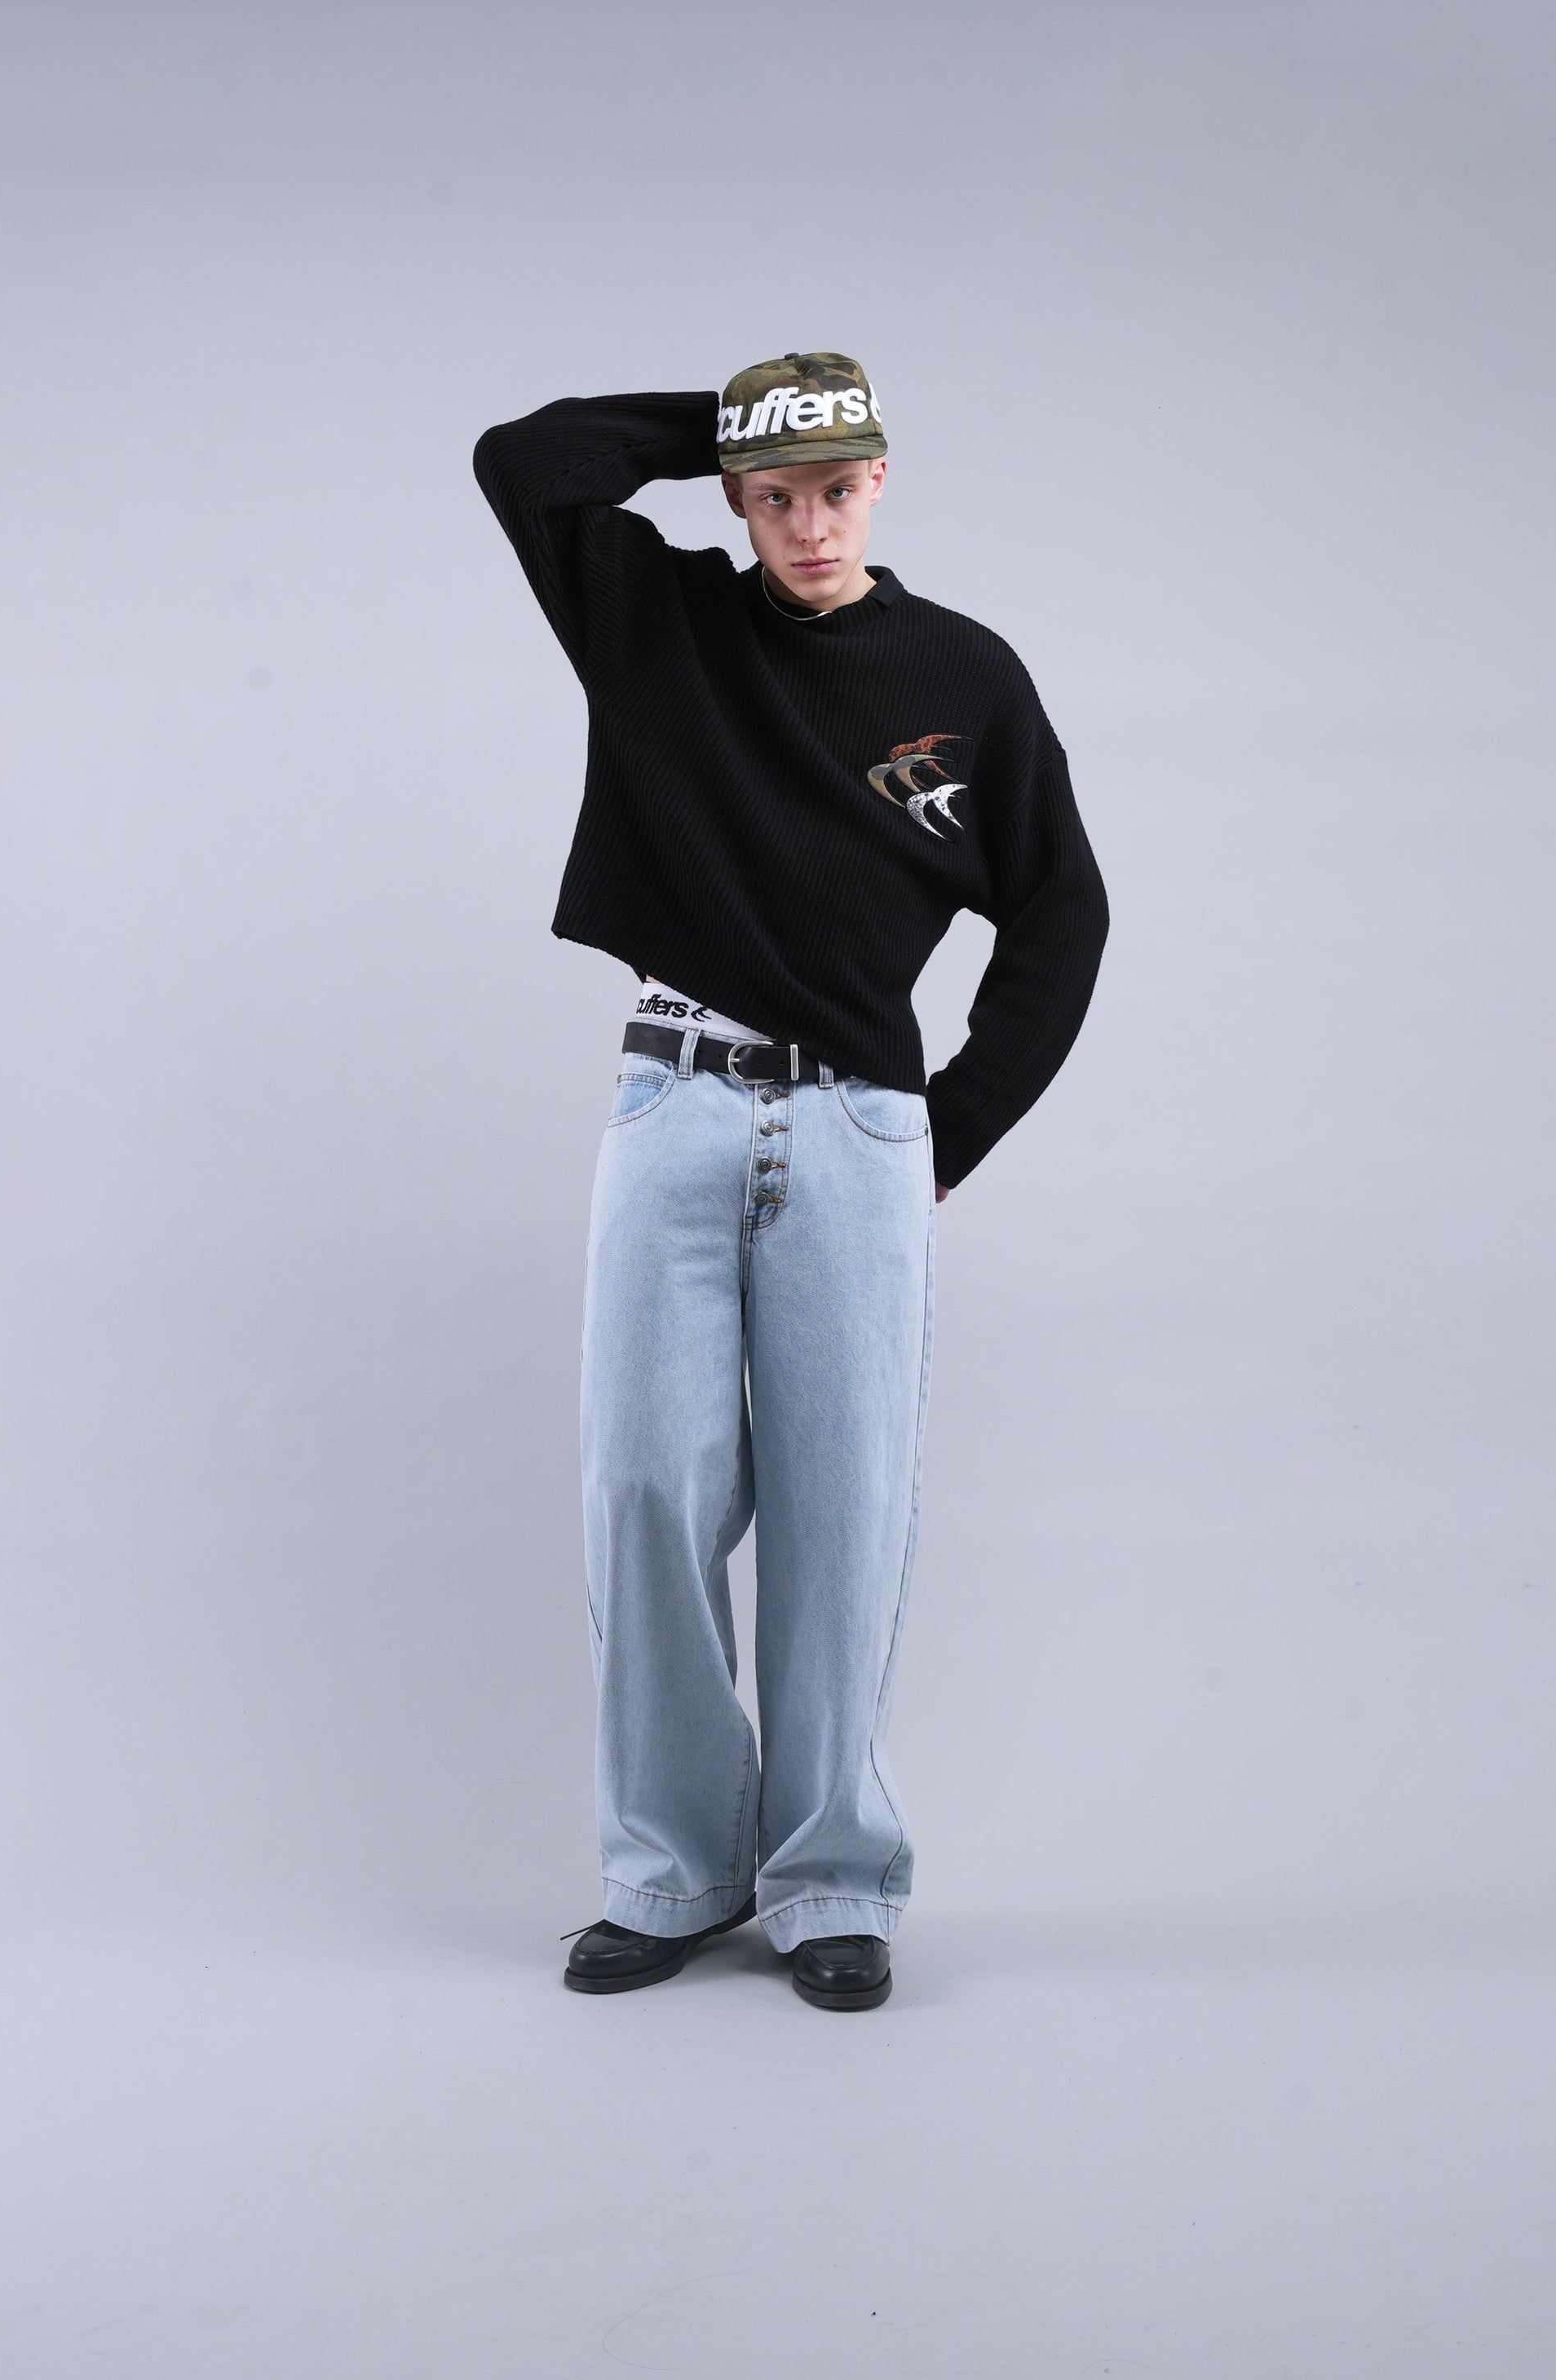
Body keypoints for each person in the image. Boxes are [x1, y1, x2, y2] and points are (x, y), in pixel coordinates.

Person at [473, 351, 1107, 2011]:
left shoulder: (964, 675)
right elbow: (523, 458)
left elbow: (1062, 913)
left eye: (835, 487)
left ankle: (832, 1880)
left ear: (879, 481)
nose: (809, 525)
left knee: (844, 1508)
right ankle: (674, 1873)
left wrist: (953, 1126)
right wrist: (738, 422)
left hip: (855, 1137)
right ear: (734, 500)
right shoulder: (657, 620)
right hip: (671, 1104)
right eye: (774, 496)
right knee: (645, 1493)